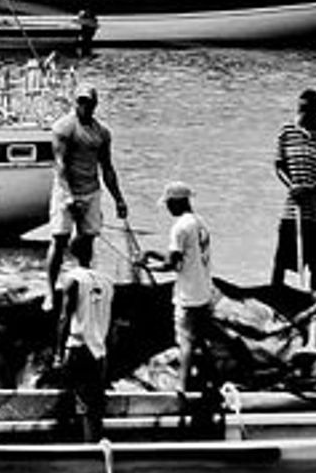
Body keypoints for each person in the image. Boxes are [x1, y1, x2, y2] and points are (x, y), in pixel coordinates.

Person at [44, 86, 129, 319]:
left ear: (94, 104)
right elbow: (60, 164)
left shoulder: (102, 133)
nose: (83, 106)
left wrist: (119, 199)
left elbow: (107, 168)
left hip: (91, 190)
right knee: (60, 239)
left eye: (88, 102)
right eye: (80, 102)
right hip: (66, 190)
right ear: (75, 103)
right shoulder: (64, 127)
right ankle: (50, 292)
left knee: (87, 241)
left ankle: (86, 287)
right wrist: (69, 196)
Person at [141, 181, 216, 396]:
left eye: (168, 203)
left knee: (185, 342)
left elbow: (172, 264)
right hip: (204, 290)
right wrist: (153, 254)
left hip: (188, 294)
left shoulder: (179, 227)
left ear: (177, 202)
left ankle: (181, 387)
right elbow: (184, 255)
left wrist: (150, 266)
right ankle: (212, 383)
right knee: (201, 339)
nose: (167, 208)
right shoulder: (199, 222)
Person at [271, 89, 316, 292]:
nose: (301, 114)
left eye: (307, 110)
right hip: (293, 206)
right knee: (282, 258)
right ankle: (275, 297)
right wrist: (292, 186)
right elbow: (279, 165)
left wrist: (312, 189)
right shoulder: (287, 131)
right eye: (300, 109)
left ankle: (313, 296)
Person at [52, 236, 113, 442]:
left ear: (72, 254)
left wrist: (58, 354)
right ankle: (93, 445)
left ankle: (84, 450)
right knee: (95, 405)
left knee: (79, 403)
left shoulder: (73, 279)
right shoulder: (107, 282)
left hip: (79, 348)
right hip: (100, 351)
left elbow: (64, 317)